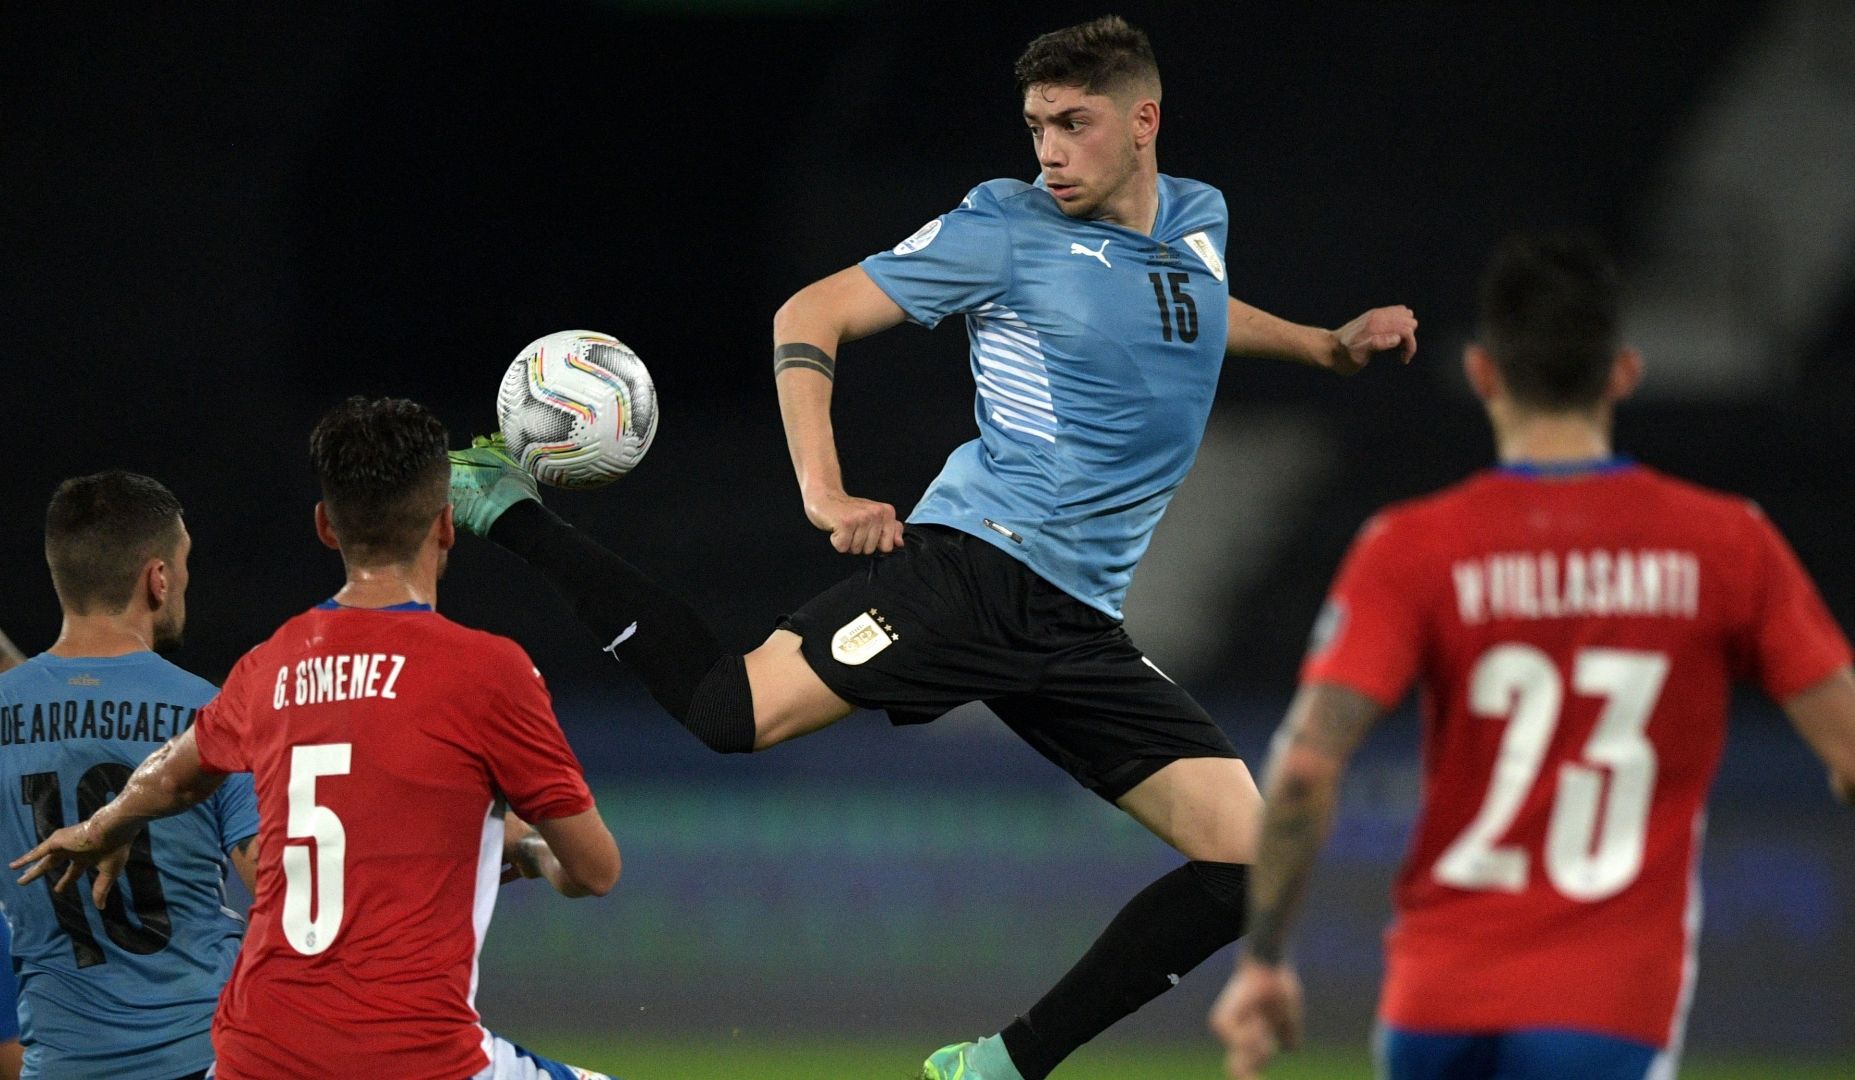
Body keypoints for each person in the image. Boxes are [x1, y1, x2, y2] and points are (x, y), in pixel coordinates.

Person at [448, 15, 1415, 1080]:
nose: (1049, 151)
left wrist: (1324, 346)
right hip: (975, 569)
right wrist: (824, 491)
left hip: (1077, 618)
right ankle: (510, 512)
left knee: (1249, 862)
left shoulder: (1198, 219)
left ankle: (993, 1068)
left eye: (1074, 124)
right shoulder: (1000, 227)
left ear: (1144, 121)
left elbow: (1190, 308)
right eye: (1036, 126)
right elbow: (809, 313)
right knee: (731, 713)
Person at [1208, 233, 1855, 1080]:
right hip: (1605, 1009)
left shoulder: (1411, 546)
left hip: (1436, 1006)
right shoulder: (1728, 544)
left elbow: (1302, 770)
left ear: (1482, 373)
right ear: (1623, 373)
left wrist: (1265, 959)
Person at [13, 398, 623, 1080]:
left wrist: (104, 825)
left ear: (325, 526)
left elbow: (172, 777)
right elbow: (595, 870)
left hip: (252, 1058)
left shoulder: (268, 665)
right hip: (413, 1059)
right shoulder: (489, 671)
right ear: (447, 524)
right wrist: (532, 851)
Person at [0, 472, 260, 1080]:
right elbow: (280, 889)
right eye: (184, 563)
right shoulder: (210, 714)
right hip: (201, 1053)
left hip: (59, 1061)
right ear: (158, 578)